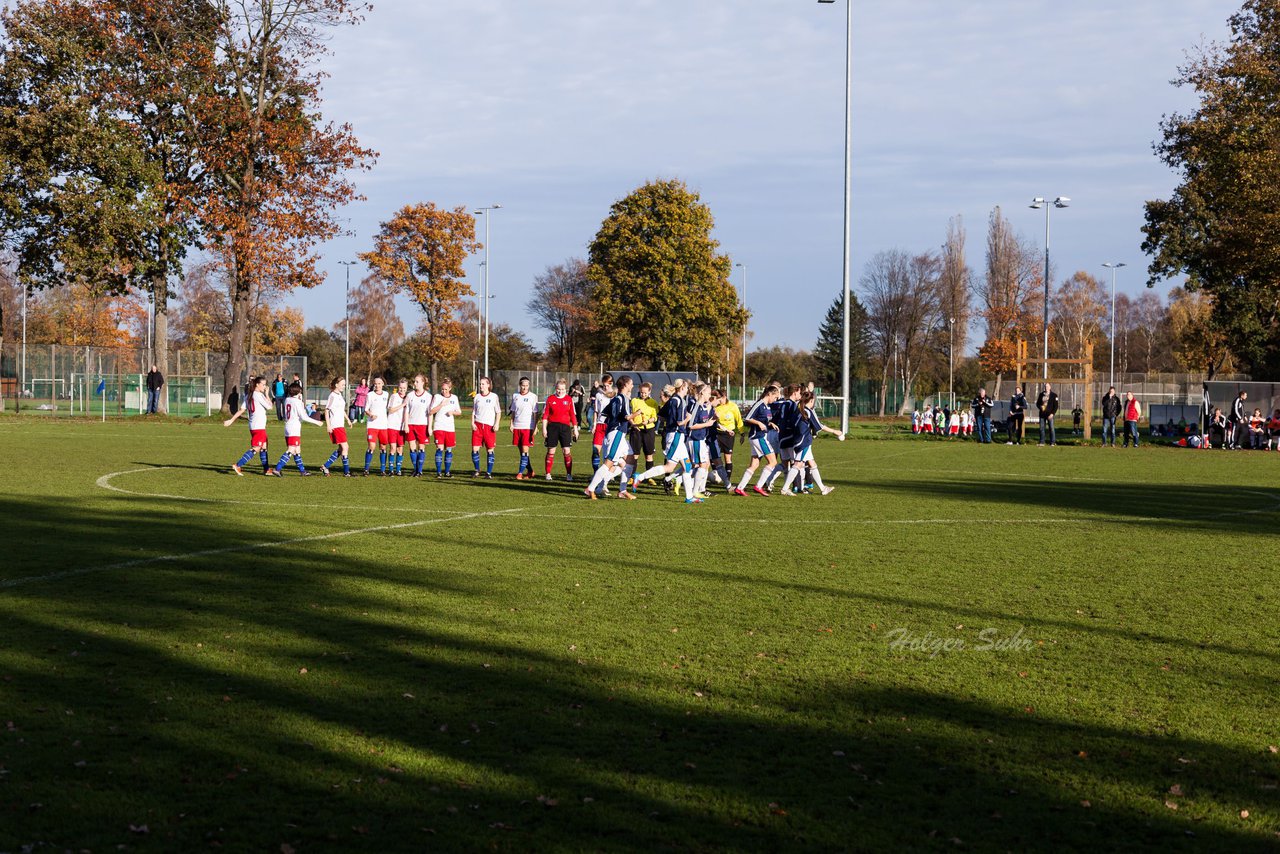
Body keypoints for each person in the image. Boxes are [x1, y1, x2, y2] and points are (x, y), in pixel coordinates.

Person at [634, 380, 696, 500]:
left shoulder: (674, 399)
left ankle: (690, 497)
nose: (688, 388)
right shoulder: (678, 401)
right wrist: (688, 418)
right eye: (686, 386)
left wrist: (670, 421)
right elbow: (679, 422)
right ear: (683, 387)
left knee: (687, 466)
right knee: (669, 467)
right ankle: (640, 477)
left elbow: (661, 415)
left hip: (676, 435)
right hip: (675, 436)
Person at [584, 375, 637, 500]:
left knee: (630, 460)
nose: (632, 386)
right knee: (609, 463)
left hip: (618, 433)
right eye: (631, 384)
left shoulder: (616, 399)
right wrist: (637, 414)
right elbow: (626, 417)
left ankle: (622, 490)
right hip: (617, 433)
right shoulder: (621, 398)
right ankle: (590, 488)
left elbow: (605, 414)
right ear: (625, 385)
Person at [781, 390, 843, 496]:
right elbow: (820, 425)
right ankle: (785, 489)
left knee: (812, 463)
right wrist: (835, 431)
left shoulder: (798, 409)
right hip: (803, 441)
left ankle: (823, 488)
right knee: (798, 464)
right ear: (812, 400)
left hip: (798, 440)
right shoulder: (807, 411)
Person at [734, 385, 781, 497]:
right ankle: (759, 486)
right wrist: (759, 423)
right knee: (773, 462)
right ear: (769, 394)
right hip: (758, 437)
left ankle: (740, 488)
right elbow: (747, 417)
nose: (775, 400)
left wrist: (770, 424)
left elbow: (763, 420)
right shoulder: (759, 404)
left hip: (759, 437)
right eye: (775, 397)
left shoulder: (767, 407)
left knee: (754, 464)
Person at [270, 381, 325, 476]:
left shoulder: (287, 400)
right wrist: (317, 422)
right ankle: (277, 468)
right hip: (294, 428)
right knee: (291, 449)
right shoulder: (298, 402)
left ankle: (303, 471)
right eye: (300, 391)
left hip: (288, 426)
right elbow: (304, 417)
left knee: (297, 450)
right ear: (297, 392)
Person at [224, 376, 272, 475]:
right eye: (263, 384)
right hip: (259, 426)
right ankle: (238, 465)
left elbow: (241, 410)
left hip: (253, 425)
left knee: (264, 446)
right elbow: (270, 407)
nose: (265, 386)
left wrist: (231, 420)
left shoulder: (249, 395)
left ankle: (266, 469)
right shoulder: (258, 395)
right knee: (256, 448)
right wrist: (267, 394)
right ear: (257, 384)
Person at [540, 378, 580, 480]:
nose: (560, 391)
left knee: (566, 451)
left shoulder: (569, 399)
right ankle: (548, 474)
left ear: (565, 389)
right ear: (555, 388)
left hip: (565, 428)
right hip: (552, 427)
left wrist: (575, 429)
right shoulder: (550, 399)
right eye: (558, 389)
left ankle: (569, 474)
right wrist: (544, 429)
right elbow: (545, 416)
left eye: (562, 389)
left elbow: (573, 416)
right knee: (551, 451)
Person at [321, 377, 353, 476]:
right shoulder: (332, 396)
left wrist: (347, 419)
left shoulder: (339, 395)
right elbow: (326, 410)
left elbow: (341, 409)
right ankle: (346, 472)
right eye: (342, 384)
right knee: (345, 447)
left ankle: (325, 466)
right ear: (336, 385)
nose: (344, 386)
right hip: (335, 425)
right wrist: (328, 426)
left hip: (340, 425)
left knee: (341, 449)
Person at [430, 377, 462, 477]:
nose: (444, 391)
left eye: (446, 389)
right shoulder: (437, 397)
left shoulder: (454, 398)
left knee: (449, 449)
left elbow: (459, 412)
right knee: (439, 448)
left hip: (450, 428)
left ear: (450, 388)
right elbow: (431, 411)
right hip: (439, 426)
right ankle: (439, 472)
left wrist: (452, 412)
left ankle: (447, 472)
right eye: (442, 389)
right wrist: (441, 405)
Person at [629, 381, 660, 485]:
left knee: (649, 455)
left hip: (648, 430)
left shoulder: (653, 403)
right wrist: (633, 424)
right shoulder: (634, 401)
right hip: (636, 430)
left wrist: (647, 421)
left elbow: (654, 417)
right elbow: (630, 415)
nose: (643, 394)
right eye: (642, 392)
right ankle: (632, 477)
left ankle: (649, 477)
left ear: (649, 391)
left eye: (645, 393)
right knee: (635, 455)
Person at [507, 376, 538, 479]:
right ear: (520, 385)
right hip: (517, 427)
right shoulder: (515, 396)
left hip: (527, 427)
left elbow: (535, 413)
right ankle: (530, 471)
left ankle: (520, 473)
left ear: (529, 386)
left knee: (525, 450)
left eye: (527, 385)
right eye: (523, 385)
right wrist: (511, 423)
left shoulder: (533, 396)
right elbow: (513, 411)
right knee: (522, 451)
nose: (525, 387)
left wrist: (535, 426)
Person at [471, 376, 502, 478]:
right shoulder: (477, 397)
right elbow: (474, 412)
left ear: (488, 385)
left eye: (483, 384)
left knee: (490, 449)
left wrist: (496, 424)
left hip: (489, 427)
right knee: (475, 449)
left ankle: (488, 472)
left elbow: (498, 412)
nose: (481, 386)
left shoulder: (494, 396)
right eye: (480, 384)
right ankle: (477, 470)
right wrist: (472, 423)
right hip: (478, 426)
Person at [403, 375, 432, 476]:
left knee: (421, 447)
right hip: (411, 424)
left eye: (417, 381)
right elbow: (406, 411)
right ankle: (415, 470)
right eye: (414, 381)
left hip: (422, 425)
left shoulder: (428, 396)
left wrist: (429, 427)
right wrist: (406, 425)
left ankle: (419, 470)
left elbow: (430, 413)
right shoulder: (410, 395)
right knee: (412, 447)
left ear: (423, 383)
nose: (414, 383)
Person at [714, 389, 744, 488]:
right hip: (717, 433)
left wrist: (742, 433)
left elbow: (739, 420)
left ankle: (727, 480)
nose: (718, 400)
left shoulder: (733, 406)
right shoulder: (715, 407)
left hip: (729, 435)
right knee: (714, 456)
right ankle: (716, 475)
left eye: (719, 398)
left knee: (728, 459)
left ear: (724, 397)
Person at [362, 377, 391, 475]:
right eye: (376, 383)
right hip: (372, 425)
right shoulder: (370, 395)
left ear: (383, 384)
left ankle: (382, 470)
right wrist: (371, 415)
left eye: (379, 383)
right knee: (371, 446)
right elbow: (366, 409)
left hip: (383, 425)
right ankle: (366, 469)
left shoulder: (386, 395)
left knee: (383, 447)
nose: (377, 385)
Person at [590, 374, 613, 472]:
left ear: (611, 384)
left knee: (609, 453)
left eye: (607, 385)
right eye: (604, 385)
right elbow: (596, 411)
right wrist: (594, 425)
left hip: (610, 425)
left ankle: (608, 473)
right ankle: (595, 473)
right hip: (600, 425)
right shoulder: (598, 395)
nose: (605, 387)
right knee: (595, 451)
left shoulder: (615, 395)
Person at [385, 378, 408, 475]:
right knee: (393, 448)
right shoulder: (394, 396)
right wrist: (402, 405)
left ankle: (398, 469)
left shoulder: (408, 398)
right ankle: (391, 469)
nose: (402, 389)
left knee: (400, 448)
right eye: (400, 387)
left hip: (402, 427)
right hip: (392, 425)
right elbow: (390, 410)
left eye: (404, 388)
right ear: (398, 387)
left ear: (407, 388)